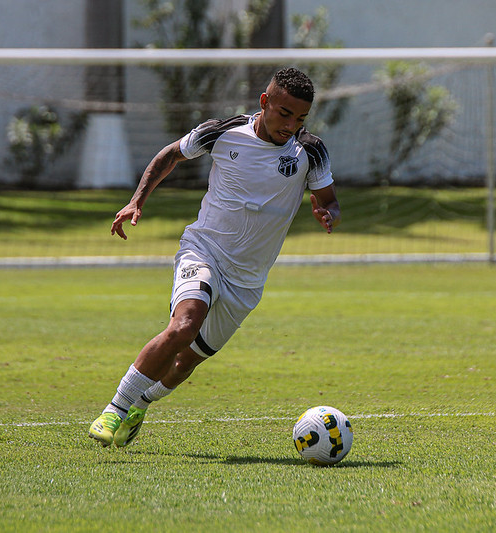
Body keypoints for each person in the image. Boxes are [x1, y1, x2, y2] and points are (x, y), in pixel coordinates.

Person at [89, 67, 341, 447]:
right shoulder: (223, 132)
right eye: (284, 114)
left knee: (187, 360)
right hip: (204, 249)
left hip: (248, 280)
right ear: (264, 102)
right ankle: (115, 409)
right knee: (183, 326)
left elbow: (331, 201)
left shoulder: (310, 151)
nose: (291, 125)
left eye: (300, 118)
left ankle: (141, 404)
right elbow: (170, 155)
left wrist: (328, 214)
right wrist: (136, 201)